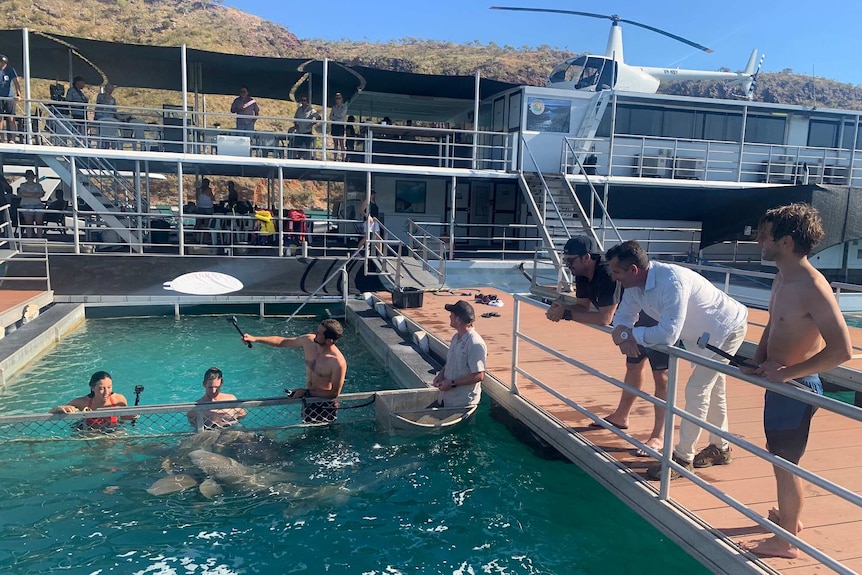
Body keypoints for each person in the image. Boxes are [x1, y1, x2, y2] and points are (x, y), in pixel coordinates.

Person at [741, 204, 852, 559]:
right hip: (779, 383)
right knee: (780, 459)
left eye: (765, 234)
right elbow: (774, 324)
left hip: (797, 388)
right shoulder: (781, 277)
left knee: (786, 464)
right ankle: (790, 519)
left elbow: (842, 350)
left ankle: (785, 540)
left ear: (786, 241)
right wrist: (757, 361)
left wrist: (786, 373)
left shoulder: (812, 286)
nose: (758, 240)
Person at [606, 240, 748, 480]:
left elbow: (667, 335)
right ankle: (720, 448)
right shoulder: (633, 287)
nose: (613, 277)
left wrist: (631, 335)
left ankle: (682, 459)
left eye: (616, 272)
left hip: (725, 328)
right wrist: (622, 334)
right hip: (699, 335)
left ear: (633, 270)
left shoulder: (672, 281)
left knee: (697, 390)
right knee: (714, 390)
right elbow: (621, 318)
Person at [545, 236, 669, 455]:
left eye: (571, 261)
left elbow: (605, 317)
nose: (568, 266)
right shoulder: (581, 274)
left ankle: (659, 436)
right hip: (630, 325)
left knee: (662, 378)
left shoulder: (605, 273)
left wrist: (565, 315)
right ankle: (621, 416)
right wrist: (561, 307)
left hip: (654, 322)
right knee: (633, 368)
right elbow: (583, 306)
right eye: (566, 261)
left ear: (586, 257)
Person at [242, 319, 346, 423]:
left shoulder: (337, 362)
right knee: (307, 427)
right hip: (308, 399)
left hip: (324, 404)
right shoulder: (308, 341)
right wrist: (255, 339)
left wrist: (306, 392)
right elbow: (282, 342)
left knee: (322, 432)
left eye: (319, 333)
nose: (315, 334)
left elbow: (333, 393)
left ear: (329, 340)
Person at [432, 300, 487, 407]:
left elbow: (479, 375)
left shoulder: (475, 343)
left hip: (462, 403)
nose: (449, 317)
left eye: (451, 314)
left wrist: (452, 383)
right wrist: (441, 374)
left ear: (458, 319)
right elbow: (451, 361)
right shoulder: (455, 337)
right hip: (447, 398)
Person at [50, 371, 135, 430]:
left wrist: (132, 416)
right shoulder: (83, 402)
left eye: (109, 387)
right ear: (92, 387)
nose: (106, 392)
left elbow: (125, 419)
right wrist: (59, 409)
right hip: (91, 433)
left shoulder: (118, 400)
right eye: (101, 388)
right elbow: (50, 413)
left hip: (113, 431)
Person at [0, 55, 22, 143]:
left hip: (9, 97)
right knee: (0, 118)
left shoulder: (10, 70)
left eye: (4, 63)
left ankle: (12, 138)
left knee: (11, 118)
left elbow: (16, 82)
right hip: (0, 98)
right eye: (1, 62)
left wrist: (18, 94)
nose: (2, 64)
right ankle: (1, 138)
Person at [17, 169, 45, 238]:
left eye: (31, 176)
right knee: (28, 223)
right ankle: (29, 237)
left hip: (38, 205)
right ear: (26, 177)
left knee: (39, 223)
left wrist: (29, 194)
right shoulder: (22, 185)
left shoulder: (38, 185)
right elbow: (23, 193)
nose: (30, 178)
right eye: (28, 176)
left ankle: (40, 238)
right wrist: (35, 194)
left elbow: (41, 194)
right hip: (27, 205)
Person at [293, 95, 321, 160]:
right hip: (299, 131)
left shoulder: (311, 110)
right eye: (302, 100)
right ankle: (294, 159)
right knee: (295, 146)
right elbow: (295, 118)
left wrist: (312, 124)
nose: (303, 102)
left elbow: (318, 117)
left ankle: (308, 160)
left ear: (307, 101)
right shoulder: (299, 109)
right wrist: (296, 125)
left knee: (308, 147)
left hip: (307, 131)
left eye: (304, 100)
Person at [94, 84, 121, 149]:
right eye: (109, 89)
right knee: (102, 135)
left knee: (109, 135)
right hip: (101, 118)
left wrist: (119, 118)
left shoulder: (113, 99)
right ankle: (101, 147)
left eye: (111, 90)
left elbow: (114, 110)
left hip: (110, 119)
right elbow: (99, 106)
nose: (110, 91)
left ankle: (108, 147)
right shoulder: (100, 96)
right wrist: (106, 97)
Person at [330, 92, 348, 160]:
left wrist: (335, 116)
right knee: (335, 143)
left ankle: (343, 158)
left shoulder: (344, 106)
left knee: (341, 143)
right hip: (334, 125)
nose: (338, 100)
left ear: (342, 99)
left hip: (340, 125)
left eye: (339, 98)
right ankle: (335, 158)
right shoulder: (334, 107)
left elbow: (342, 115)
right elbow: (331, 116)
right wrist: (337, 117)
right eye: (337, 98)